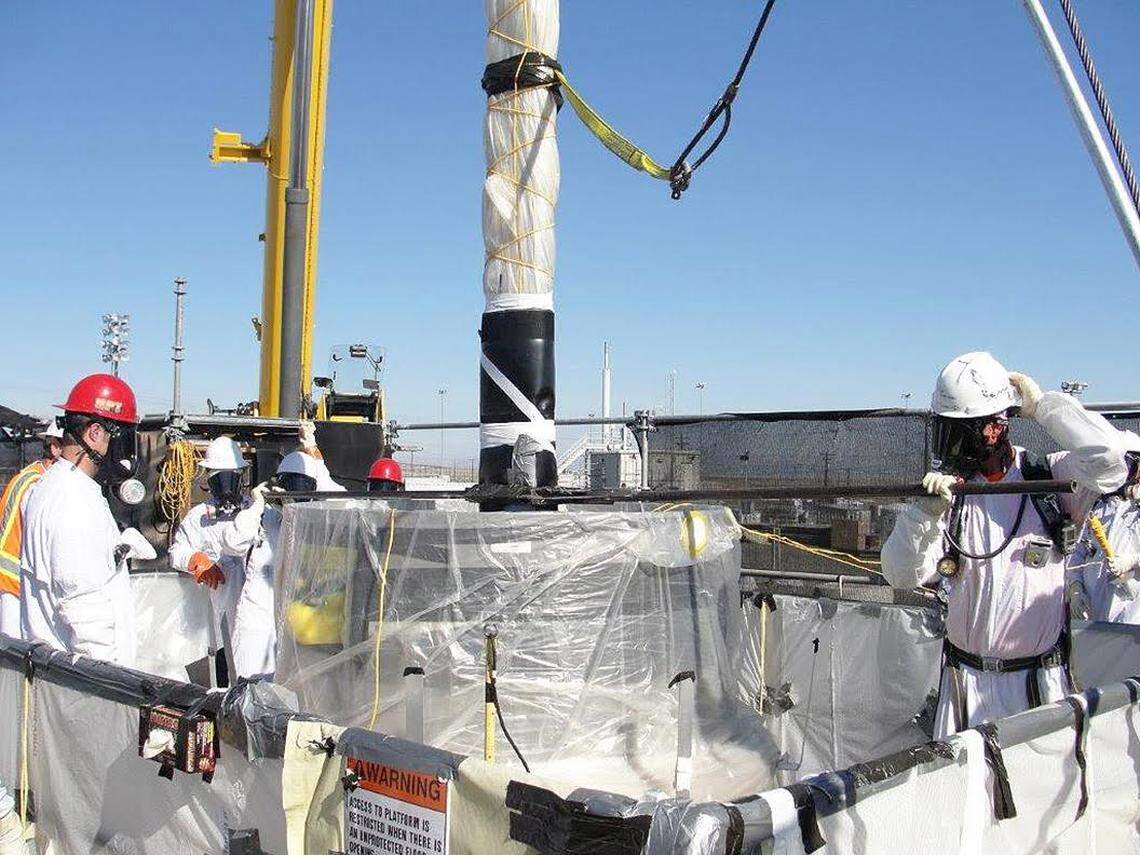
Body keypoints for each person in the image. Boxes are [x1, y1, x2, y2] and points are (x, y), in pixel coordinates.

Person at [882, 352, 1128, 737]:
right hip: (963, 686)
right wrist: (921, 516)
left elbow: (1110, 461)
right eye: (947, 431)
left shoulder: (1048, 478)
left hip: (1038, 686)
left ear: (997, 427)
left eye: (963, 432)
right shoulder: (950, 497)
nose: (953, 447)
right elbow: (900, 575)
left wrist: (1044, 407)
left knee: (1039, 778)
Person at [20, 373, 142, 665]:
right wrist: (113, 680)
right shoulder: (73, 501)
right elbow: (85, 611)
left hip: (58, 673)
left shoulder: (54, 486)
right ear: (95, 433)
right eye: (122, 437)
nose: (125, 451)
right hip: (86, 681)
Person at [218, 434, 344, 679]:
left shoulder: (318, 525)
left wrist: (314, 454)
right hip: (258, 627)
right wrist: (256, 505)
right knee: (249, 690)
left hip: (299, 631)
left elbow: (348, 502)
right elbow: (231, 542)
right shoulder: (265, 520)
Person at [169, 436, 250, 677]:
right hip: (218, 611)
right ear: (208, 478)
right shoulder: (198, 518)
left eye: (231, 475)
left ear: (242, 476)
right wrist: (195, 559)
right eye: (218, 476)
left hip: (253, 612)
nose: (226, 484)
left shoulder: (256, 513)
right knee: (224, 670)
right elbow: (177, 551)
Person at [0, 418, 64, 637]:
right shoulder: (36, 485)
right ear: (54, 448)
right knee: (14, 649)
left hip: (16, 581)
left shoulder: (33, 477)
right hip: (15, 584)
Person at [1068, 431, 1140, 624]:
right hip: (1093, 616)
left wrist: (1132, 560)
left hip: (1131, 616)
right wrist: (1075, 589)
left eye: (1126, 464)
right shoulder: (1097, 506)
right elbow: (1077, 553)